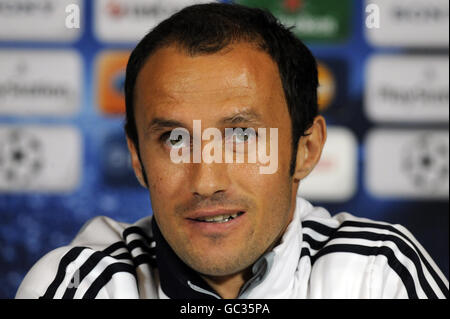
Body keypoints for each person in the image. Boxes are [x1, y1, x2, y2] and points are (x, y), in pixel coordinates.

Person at [16, 3, 448, 299]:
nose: (206, 181)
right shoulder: (81, 286)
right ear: (136, 157)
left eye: (241, 137)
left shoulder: (378, 275)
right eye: (174, 139)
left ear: (307, 149)